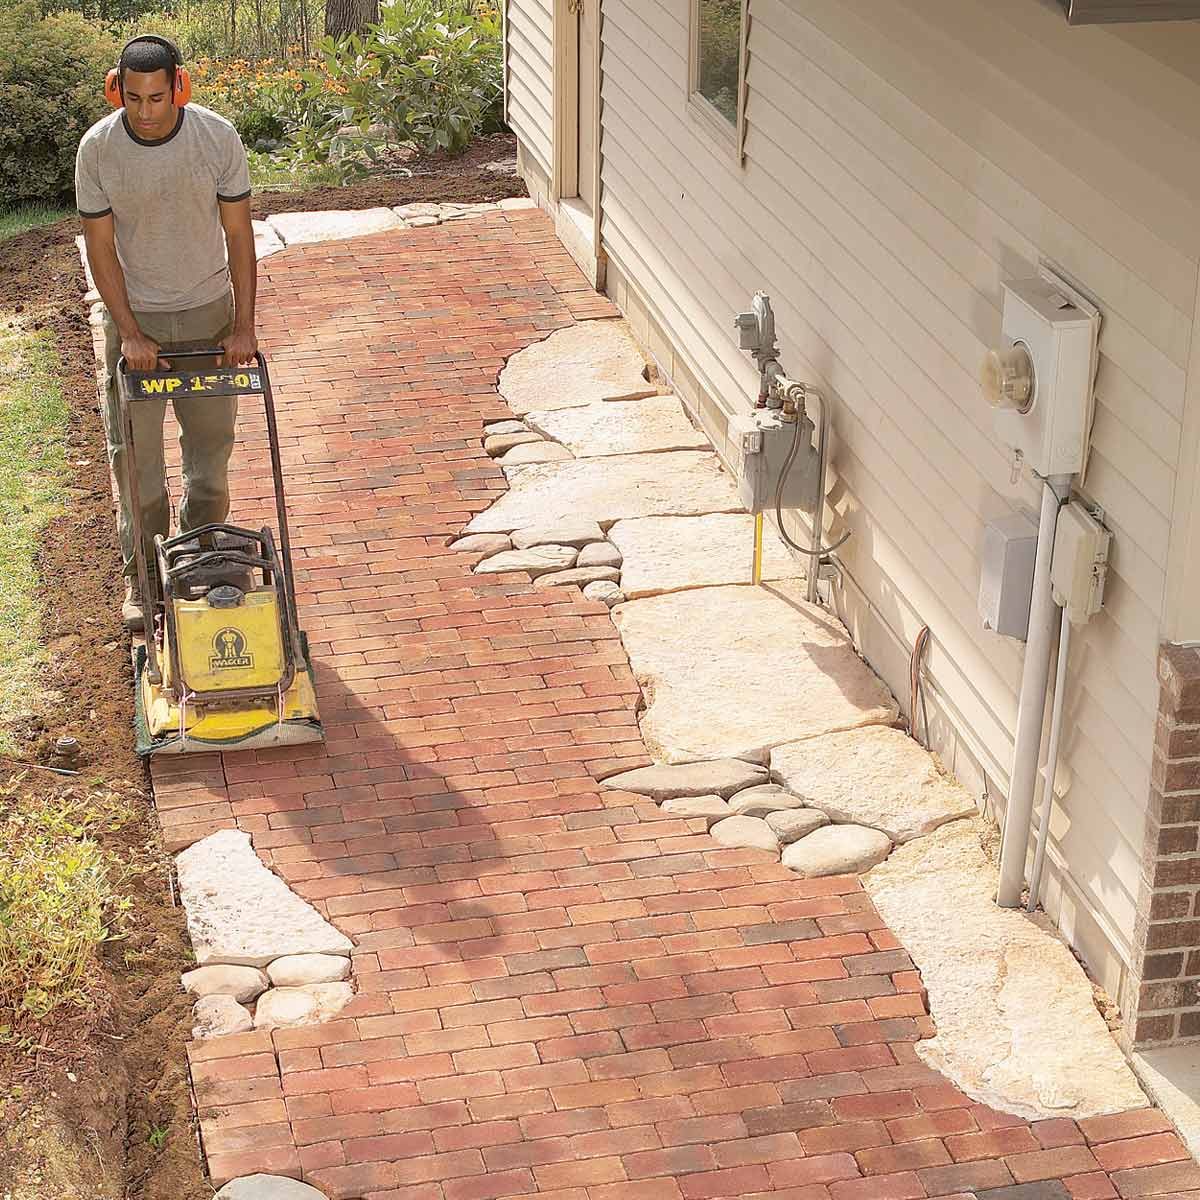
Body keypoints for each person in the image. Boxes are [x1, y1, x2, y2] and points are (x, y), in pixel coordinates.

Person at [75, 34, 258, 630]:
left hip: (209, 314)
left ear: (179, 86)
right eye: (133, 99)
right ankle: (145, 580)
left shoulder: (216, 138)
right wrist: (128, 331)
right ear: (116, 90)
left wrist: (243, 327)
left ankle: (202, 558)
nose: (146, 113)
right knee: (137, 464)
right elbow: (100, 247)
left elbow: (238, 237)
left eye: (157, 97)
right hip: (138, 321)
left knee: (209, 460)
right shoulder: (98, 151)